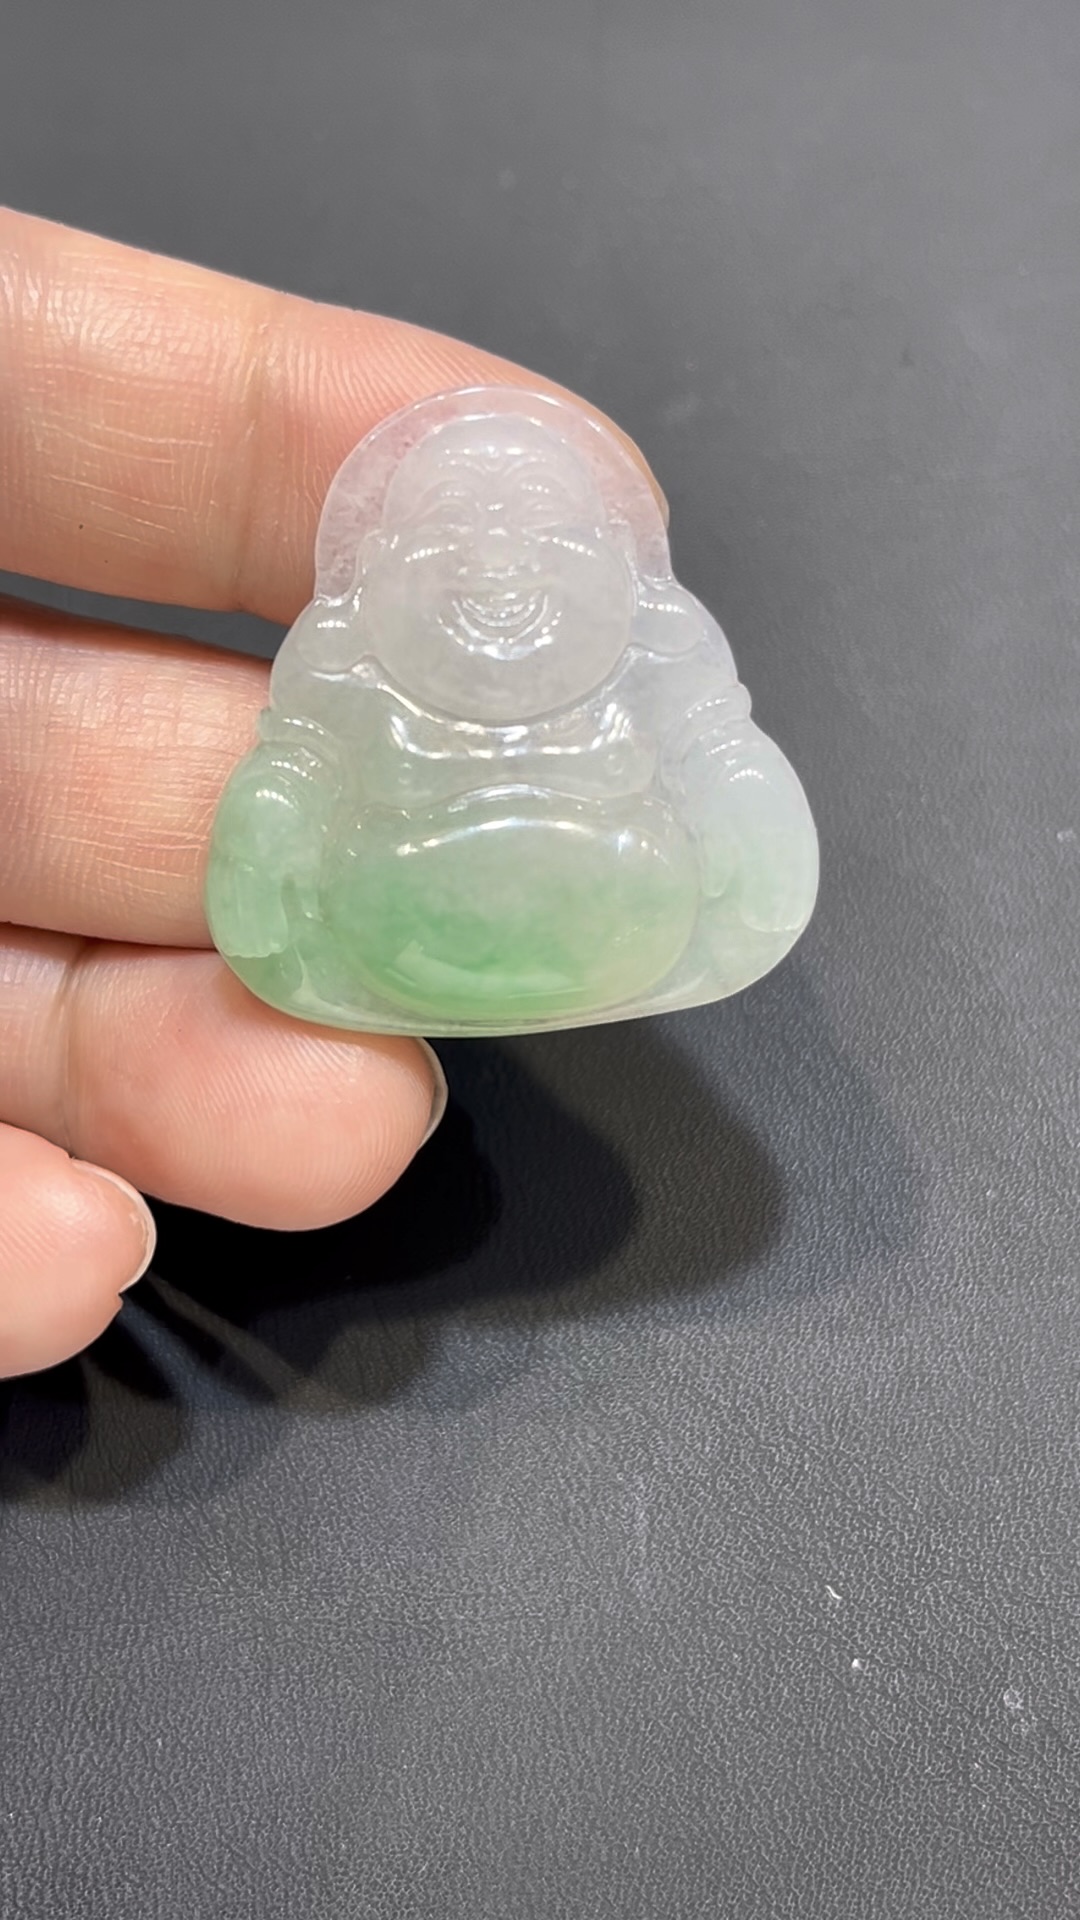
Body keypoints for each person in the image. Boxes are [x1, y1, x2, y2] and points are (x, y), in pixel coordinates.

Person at [0, 208, 665, 1378]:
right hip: (400, 896)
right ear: (391, 552)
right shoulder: (355, 652)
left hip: (610, 889)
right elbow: (295, 771)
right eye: (457, 527)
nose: (497, 559)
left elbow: (719, 762)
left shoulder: (648, 642)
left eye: (534, 527)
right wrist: (268, 873)